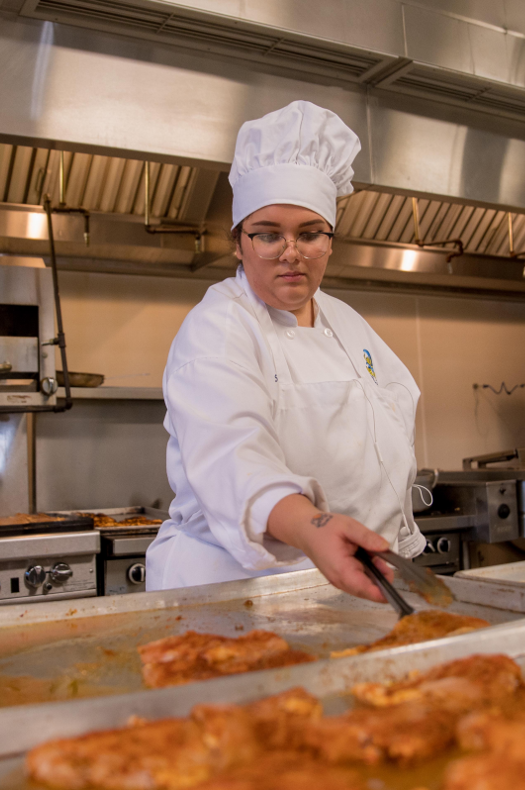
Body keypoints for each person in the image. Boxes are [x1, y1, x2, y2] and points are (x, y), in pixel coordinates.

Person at [145, 101, 426, 602]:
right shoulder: (219, 327)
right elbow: (234, 454)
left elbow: (384, 443)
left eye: (310, 234)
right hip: (235, 595)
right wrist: (313, 525)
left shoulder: (347, 323)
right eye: (269, 235)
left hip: (348, 583)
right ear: (238, 243)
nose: (291, 253)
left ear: (330, 240)